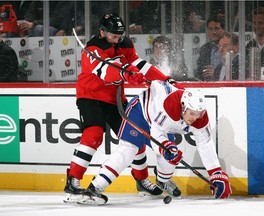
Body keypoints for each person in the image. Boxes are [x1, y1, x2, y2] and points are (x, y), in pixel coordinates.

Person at [64, 13, 182, 203]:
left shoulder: (124, 43)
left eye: (119, 35)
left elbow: (138, 64)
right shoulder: (92, 49)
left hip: (115, 98)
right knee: (93, 135)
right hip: (91, 96)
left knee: (136, 134)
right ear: (102, 32)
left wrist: (164, 79)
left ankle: (142, 180)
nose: (117, 39)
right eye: (113, 36)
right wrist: (127, 75)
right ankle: (73, 182)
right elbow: (105, 71)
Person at [77, 80, 232, 205]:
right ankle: (94, 188)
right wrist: (165, 148)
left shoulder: (199, 118)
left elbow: (205, 143)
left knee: (170, 157)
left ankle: (163, 181)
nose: (195, 118)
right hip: (140, 113)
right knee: (128, 149)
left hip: (161, 125)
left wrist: (216, 173)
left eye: (199, 114)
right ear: (183, 107)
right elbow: (156, 132)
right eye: (192, 113)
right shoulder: (168, 107)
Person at [195, 16, 225, 81]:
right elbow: (199, 71)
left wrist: (216, 73)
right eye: (210, 29)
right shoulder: (204, 48)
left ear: (224, 30)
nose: (213, 32)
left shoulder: (230, 46)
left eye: (217, 28)